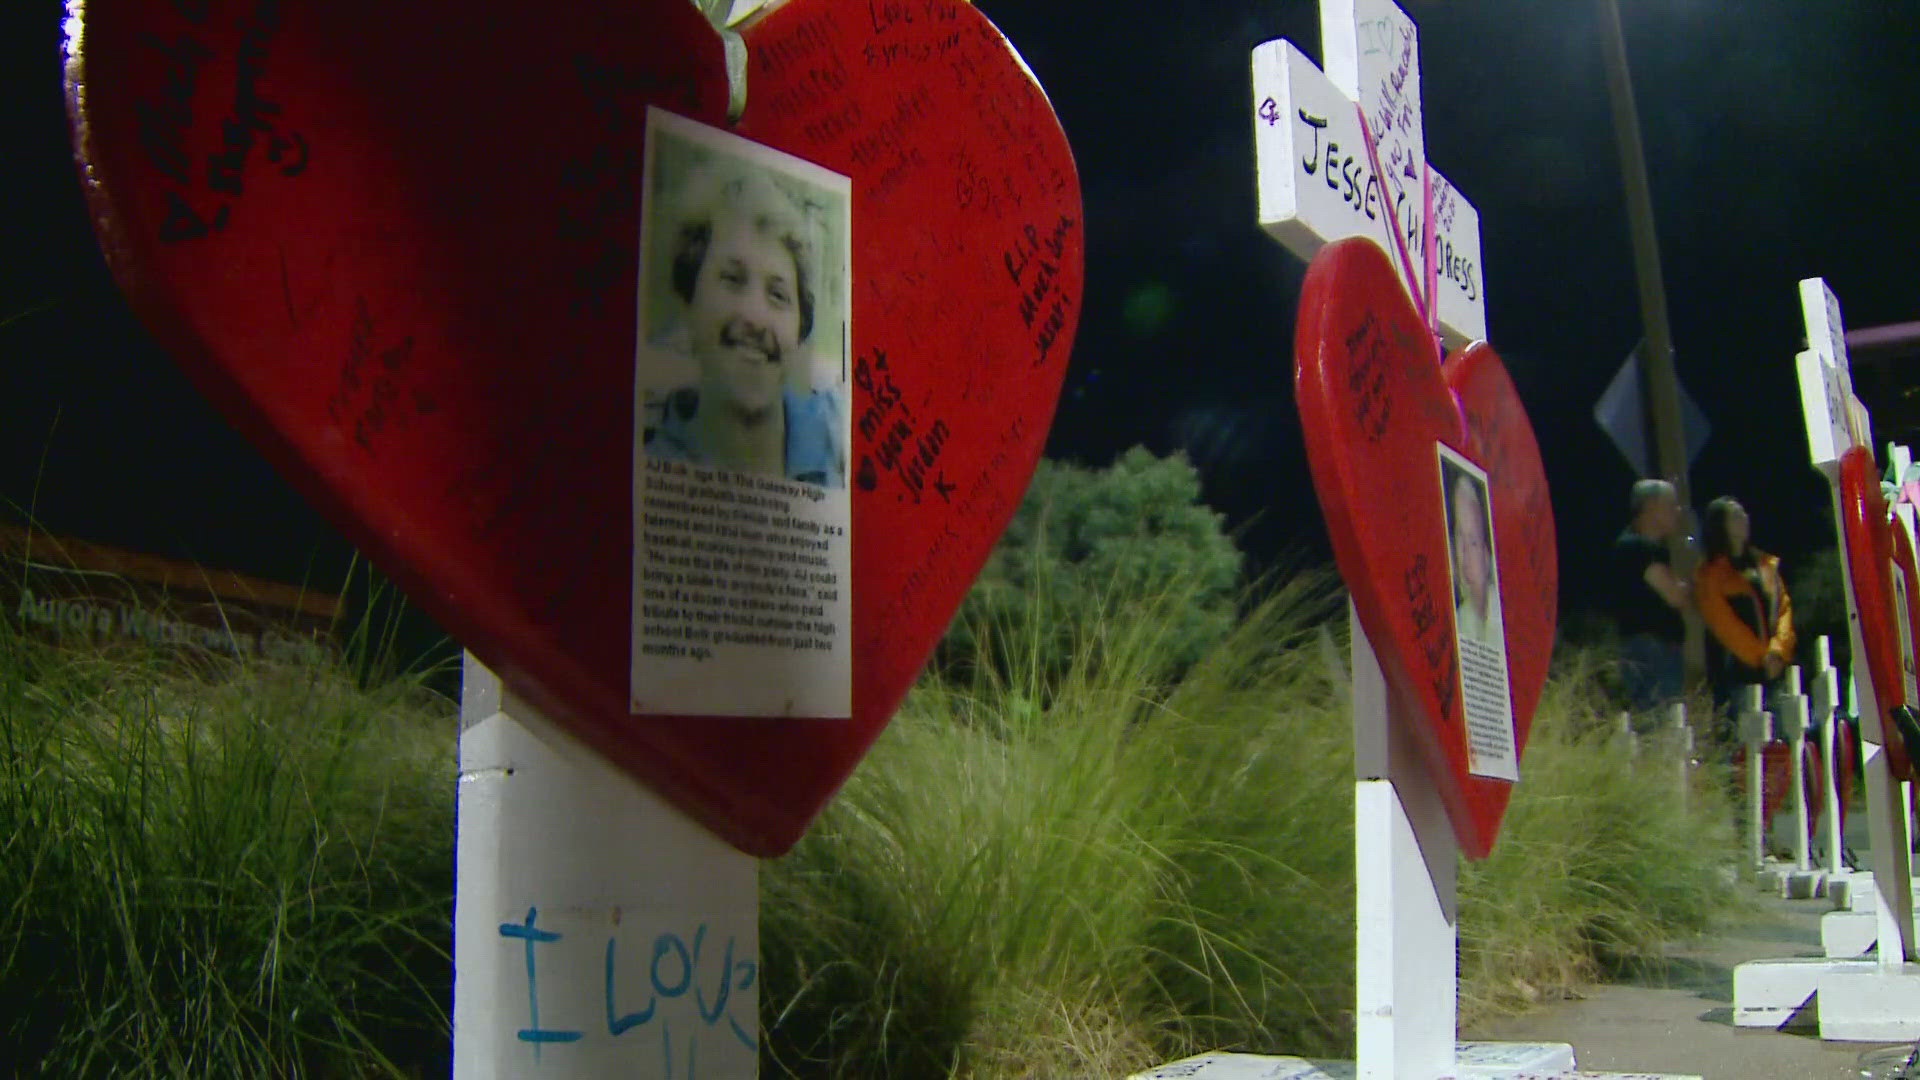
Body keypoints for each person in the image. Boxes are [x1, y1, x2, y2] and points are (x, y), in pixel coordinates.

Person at [644, 164, 845, 488]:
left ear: (799, 328)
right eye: (732, 279)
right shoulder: (654, 465)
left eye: (778, 295)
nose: (755, 316)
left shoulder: (838, 435)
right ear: (689, 300)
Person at [1695, 497, 1795, 716]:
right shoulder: (1711, 574)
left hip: (1774, 671)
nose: (1744, 519)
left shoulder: (1764, 564)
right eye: (1736, 516)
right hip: (1737, 677)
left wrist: (1778, 651)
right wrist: (1761, 658)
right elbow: (1724, 625)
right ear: (1721, 525)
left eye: (1744, 514)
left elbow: (1783, 609)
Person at [1610, 479, 1689, 711]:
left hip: (1652, 650)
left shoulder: (1640, 547)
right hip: (1651, 651)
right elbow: (1674, 594)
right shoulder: (1637, 548)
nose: (1677, 511)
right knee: (1659, 720)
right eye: (1670, 504)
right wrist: (1688, 586)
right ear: (1652, 506)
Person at [1447, 469, 1501, 648]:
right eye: (1459, 537)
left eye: (1473, 542)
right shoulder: (1458, 624)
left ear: (1488, 558)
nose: (1463, 554)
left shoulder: (1508, 620)